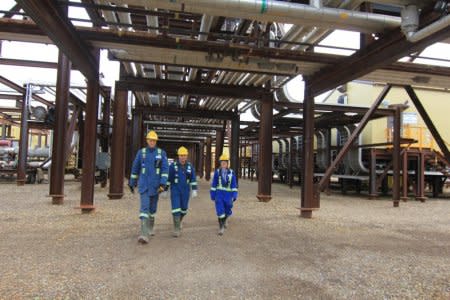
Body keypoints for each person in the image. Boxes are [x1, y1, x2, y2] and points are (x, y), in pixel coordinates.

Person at [129, 130, 169, 244]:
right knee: (144, 208)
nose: (152, 142)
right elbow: (135, 168)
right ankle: (144, 234)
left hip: (156, 186)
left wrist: (163, 183)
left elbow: (165, 169)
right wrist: (132, 182)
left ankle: (150, 227)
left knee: (152, 209)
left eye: (154, 141)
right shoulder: (141, 153)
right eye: (150, 140)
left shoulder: (162, 153)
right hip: (144, 186)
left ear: (156, 141)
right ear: (147, 140)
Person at [167, 146, 198, 237]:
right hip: (175, 189)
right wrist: (165, 189)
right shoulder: (173, 166)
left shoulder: (190, 166)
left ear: (186, 156)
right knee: (176, 208)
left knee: (184, 209)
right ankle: (176, 229)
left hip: (185, 190)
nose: (182, 157)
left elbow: (193, 178)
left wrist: (194, 189)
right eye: (181, 155)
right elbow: (169, 178)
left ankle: (179, 221)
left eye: (184, 155)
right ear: (178, 156)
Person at [210, 153, 238, 235]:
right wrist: (212, 194)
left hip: (228, 195)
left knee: (228, 208)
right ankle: (221, 227)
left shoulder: (232, 173)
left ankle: (225, 218)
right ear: (220, 163)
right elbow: (214, 184)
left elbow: (234, 185)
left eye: (225, 162)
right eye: (222, 162)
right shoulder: (217, 172)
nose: (223, 164)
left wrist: (234, 195)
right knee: (220, 210)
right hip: (219, 194)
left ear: (227, 163)